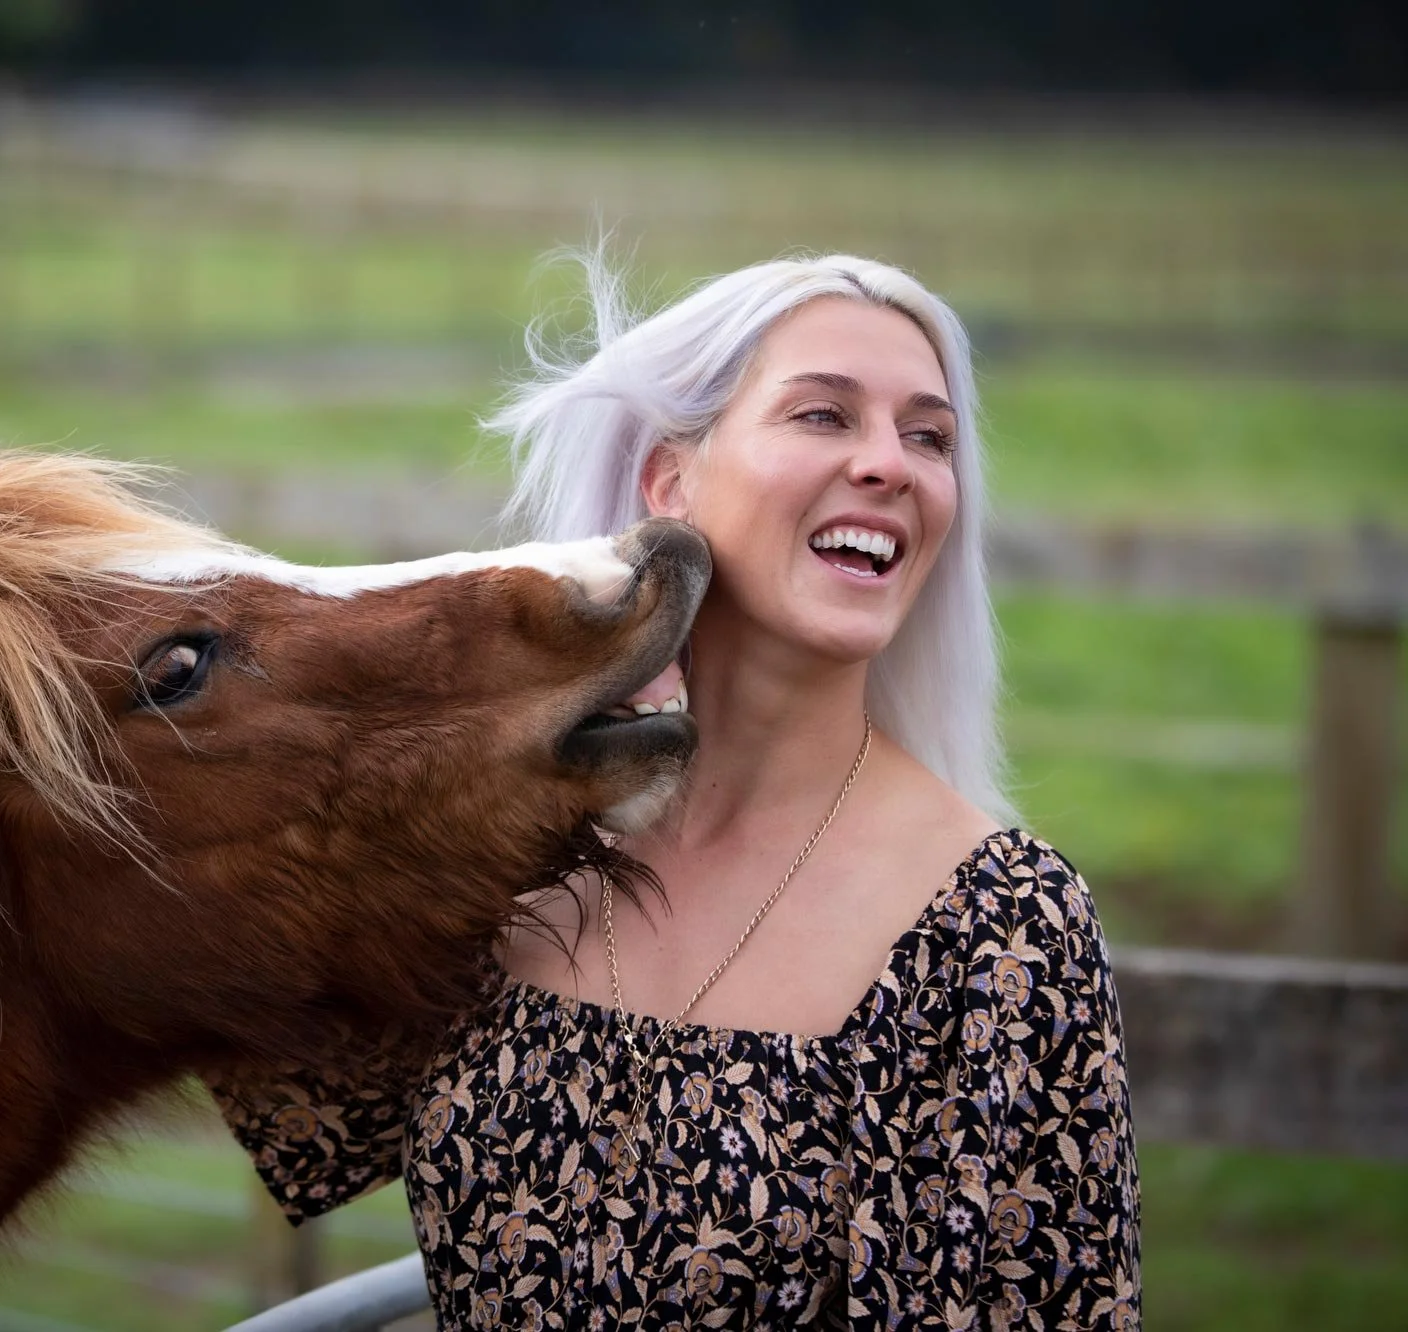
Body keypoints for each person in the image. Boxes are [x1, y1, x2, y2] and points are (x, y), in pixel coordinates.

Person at [211, 254, 1141, 1329]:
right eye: (823, 416)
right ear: (669, 481)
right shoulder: (516, 837)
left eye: (927, 436)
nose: (889, 464)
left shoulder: (999, 932)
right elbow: (299, 1113)